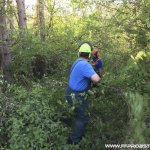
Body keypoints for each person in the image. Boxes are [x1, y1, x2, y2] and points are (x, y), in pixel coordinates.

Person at [65, 42, 101, 144]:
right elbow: (97, 79)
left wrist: (93, 63)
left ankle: (74, 133)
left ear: (79, 53)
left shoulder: (77, 61)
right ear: (89, 54)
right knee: (83, 117)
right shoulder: (85, 65)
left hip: (69, 92)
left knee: (78, 114)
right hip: (76, 96)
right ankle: (73, 141)